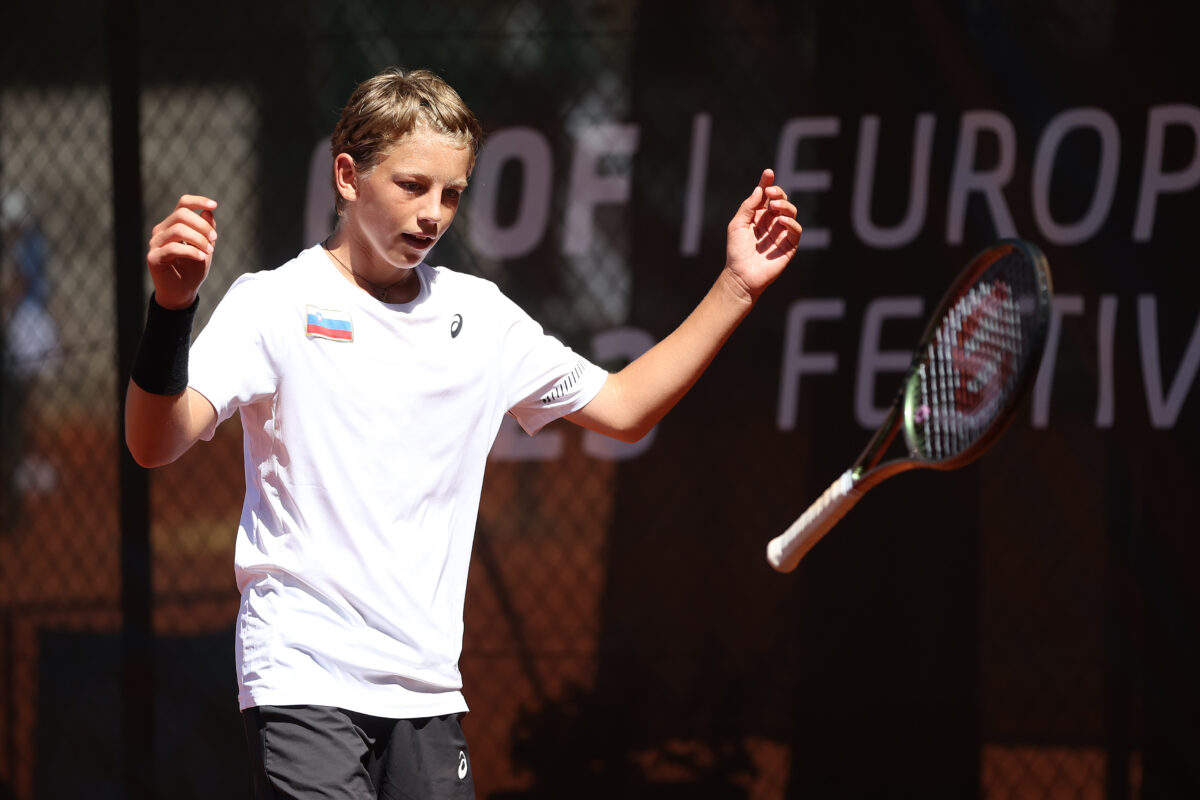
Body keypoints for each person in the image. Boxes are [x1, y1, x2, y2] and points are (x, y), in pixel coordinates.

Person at [124, 67, 802, 800]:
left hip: (428, 691)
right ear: (348, 177)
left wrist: (736, 287)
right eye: (412, 186)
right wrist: (172, 309)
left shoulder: (480, 316)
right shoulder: (274, 303)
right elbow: (155, 441)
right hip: (302, 674)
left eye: (451, 194)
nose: (433, 215)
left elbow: (625, 405)